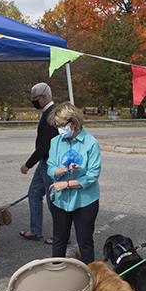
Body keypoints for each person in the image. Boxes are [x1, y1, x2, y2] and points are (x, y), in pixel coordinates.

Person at [47, 102, 101, 264]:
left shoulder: (91, 143)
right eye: (57, 125)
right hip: (61, 201)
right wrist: (64, 169)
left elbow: (92, 176)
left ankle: (89, 280)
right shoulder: (55, 142)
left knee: (85, 242)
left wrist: (67, 184)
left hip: (85, 202)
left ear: (74, 123)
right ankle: (57, 275)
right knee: (59, 240)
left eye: (62, 125)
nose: (59, 129)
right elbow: (50, 169)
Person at [19, 82, 57, 245]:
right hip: (44, 163)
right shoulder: (46, 112)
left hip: (50, 163)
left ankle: (61, 235)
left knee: (53, 201)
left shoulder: (52, 114)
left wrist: (28, 164)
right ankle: (35, 231)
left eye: (34, 98)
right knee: (34, 194)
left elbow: (44, 145)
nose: (33, 102)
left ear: (43, 96)